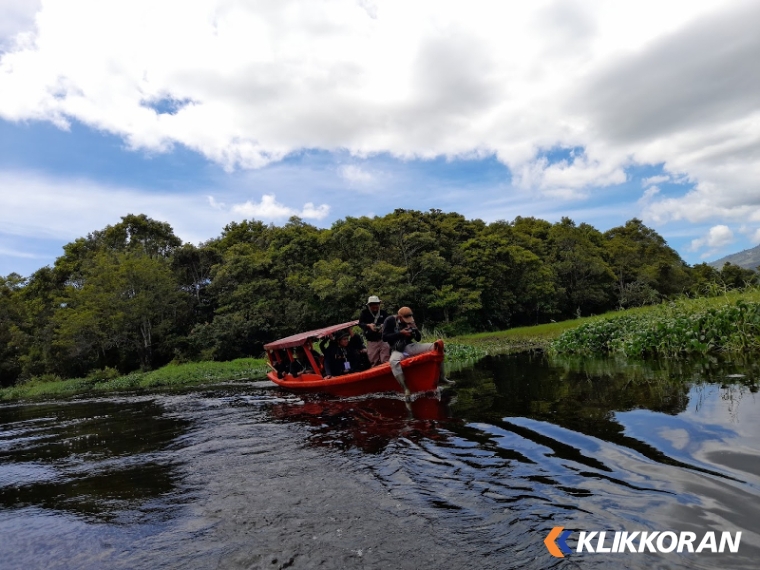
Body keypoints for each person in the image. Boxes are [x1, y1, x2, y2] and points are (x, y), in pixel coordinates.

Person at [382, 306, 449, 398]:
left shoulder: (411, 322)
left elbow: (418, 339)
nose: (408, 321)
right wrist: (401, 333)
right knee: (393, 361)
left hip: (410, 346)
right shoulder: (389, 320)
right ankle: (406, 388)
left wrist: (415, 330)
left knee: (438, 346)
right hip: (398, 349)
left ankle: (442, 377)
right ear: (400, 317)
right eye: (405, 319)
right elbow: (384, 337)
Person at [358, 295, 390, 366]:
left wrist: (383, 326)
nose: (375, 307)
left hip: (383, 339)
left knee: (385, 359)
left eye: (377, 305)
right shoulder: (364, 313)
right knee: (373, 360)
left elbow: (388, 322)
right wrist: (369, 325)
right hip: (371, 340)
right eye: (373, 306)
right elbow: (360, 323)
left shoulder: (383, 313)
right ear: (369, 305)